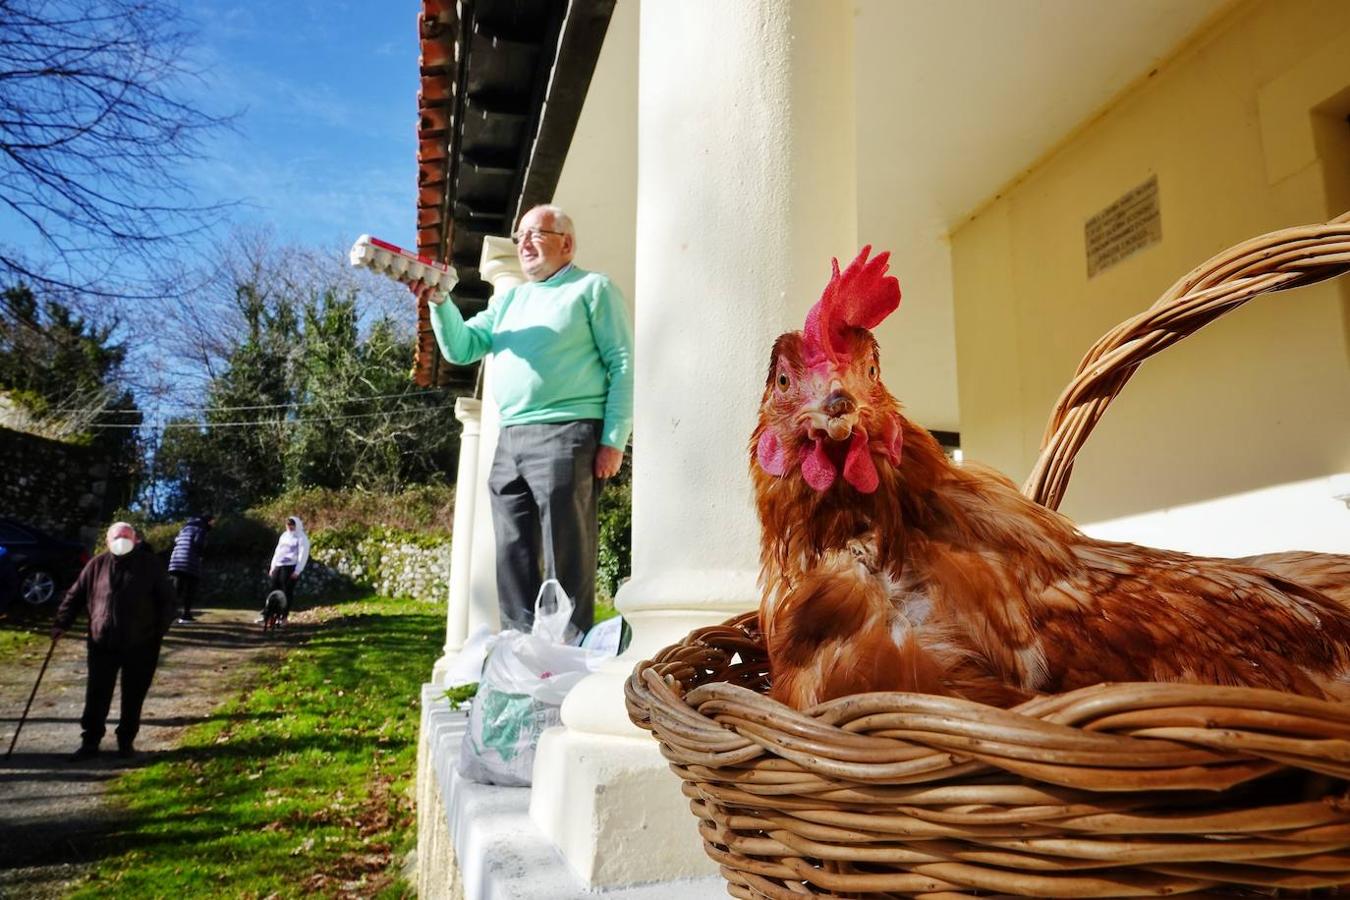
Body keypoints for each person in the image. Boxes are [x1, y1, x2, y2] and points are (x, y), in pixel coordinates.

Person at [416, 204, 634, 635]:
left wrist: (614, 438)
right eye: (519, 238)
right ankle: (518, 646)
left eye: (536, 234)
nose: (525, 243)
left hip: (569, 431)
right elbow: (462, 348)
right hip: (510, 437)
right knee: (511, 550)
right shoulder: (511, 299)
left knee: (564, 552)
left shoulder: (592, 289)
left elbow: (622, 362)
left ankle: (566, 653)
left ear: (566, 244)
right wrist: (439, 302)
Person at [51, 521, 176, 760]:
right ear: (108, 541)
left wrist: (157, 632)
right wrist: (61, 624)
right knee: (97, 693)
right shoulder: (96, 564)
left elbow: (168, 602)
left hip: (141, 645)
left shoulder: (150, 566)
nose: (122, 541)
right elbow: (75, 595)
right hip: (102, 643)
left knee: (134, 695)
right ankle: (90, 742)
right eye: (117, 537)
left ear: (136, 540)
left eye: (127, 537)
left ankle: (125, 743)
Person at [167, 513, 213, 622]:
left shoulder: (185, 528)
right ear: (207, 521)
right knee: (190, 589)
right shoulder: (201, 529)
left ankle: (168, 614)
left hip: (176, 561)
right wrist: (201, 556)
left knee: (176, 590)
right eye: (212, 522)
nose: (213, 525)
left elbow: (176, 540)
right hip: (189, 562)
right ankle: (185, 615)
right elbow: (198, 544)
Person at [265, 516, 309, 623]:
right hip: (279, 565)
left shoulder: (301, 538)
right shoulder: (284, 536)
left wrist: (298, 570)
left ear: (296, 525)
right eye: (288, 524)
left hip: (291, 567)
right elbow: (277, 552)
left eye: (292, 525)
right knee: (273, 590)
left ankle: (283, 617)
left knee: (286, 592)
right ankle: (269, 615)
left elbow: (303, 555)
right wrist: (273, 566)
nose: (290, 527)